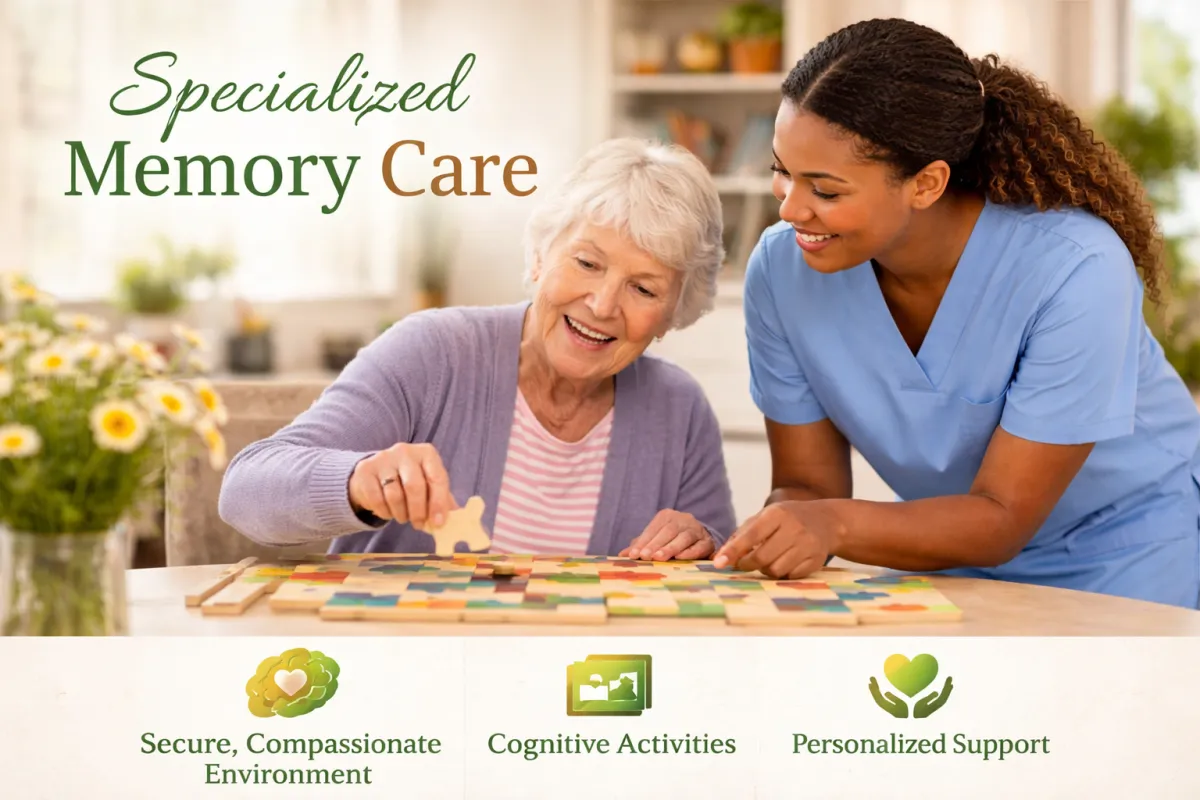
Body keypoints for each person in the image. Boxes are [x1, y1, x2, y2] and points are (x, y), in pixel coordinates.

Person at [712, 18, 1200, 608]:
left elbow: (1002, 517)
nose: (790, 209)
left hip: (1126, 547)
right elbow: (807, 490)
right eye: (781, 171)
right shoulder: (782, 273)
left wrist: (831, 525)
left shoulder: (1077, 268)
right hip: (945, 553)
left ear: (926, 183)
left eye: (826, 190)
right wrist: (753, 541)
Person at [220, 138, 735, 560]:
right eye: (587, 263)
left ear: (673, 315)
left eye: (643, 289)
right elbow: (245, 493)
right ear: (539, 257)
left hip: (575, 677)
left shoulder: (680, 410)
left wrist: (702, 544)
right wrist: (357, 481)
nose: (602, 304)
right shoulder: (434, 353)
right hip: (407, 659)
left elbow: (716, 575)